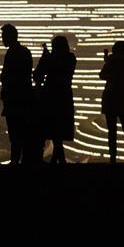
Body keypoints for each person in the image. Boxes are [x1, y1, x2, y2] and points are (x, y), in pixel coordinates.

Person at [33, 35, 77, 165]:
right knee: (57, 134)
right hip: (63, 97)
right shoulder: (70, 58)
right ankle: (58, 161)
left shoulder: (57, 59)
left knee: (55, 132)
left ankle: (58, 162)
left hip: (51, 98)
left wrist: (45, 58)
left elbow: (39, 74)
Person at [0, 23, 34, 165]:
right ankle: (22, 161)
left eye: (3, 36)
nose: (2, 39)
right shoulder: (23, 52)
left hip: (15, 100)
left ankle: (17, 161)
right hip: (21, 99)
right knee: (20, 132)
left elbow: (11, 76)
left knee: (16, 133)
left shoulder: (14, 53)